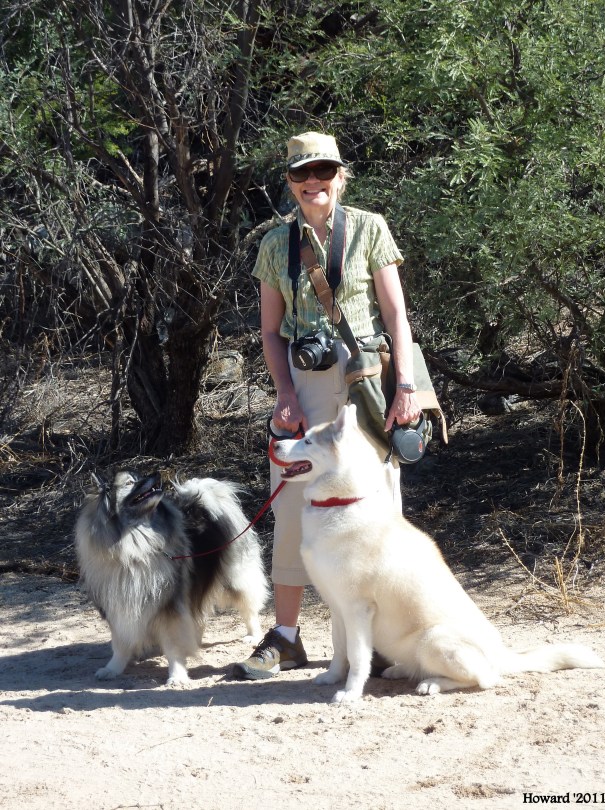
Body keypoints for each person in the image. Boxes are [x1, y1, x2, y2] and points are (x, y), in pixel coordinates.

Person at [232, 131, 421, 680]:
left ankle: (379, 638)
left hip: (367, 378)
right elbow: (270, 331)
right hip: (304, 381)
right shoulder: (276, 243)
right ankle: (286, 637)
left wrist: (406, 387)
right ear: (289, 182)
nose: (312, 182)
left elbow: (396, 315)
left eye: (323, 171)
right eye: (301, 173)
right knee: (292, 499)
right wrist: (285, 395)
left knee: (378, 501)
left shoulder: (369, 227)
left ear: (340, 176)